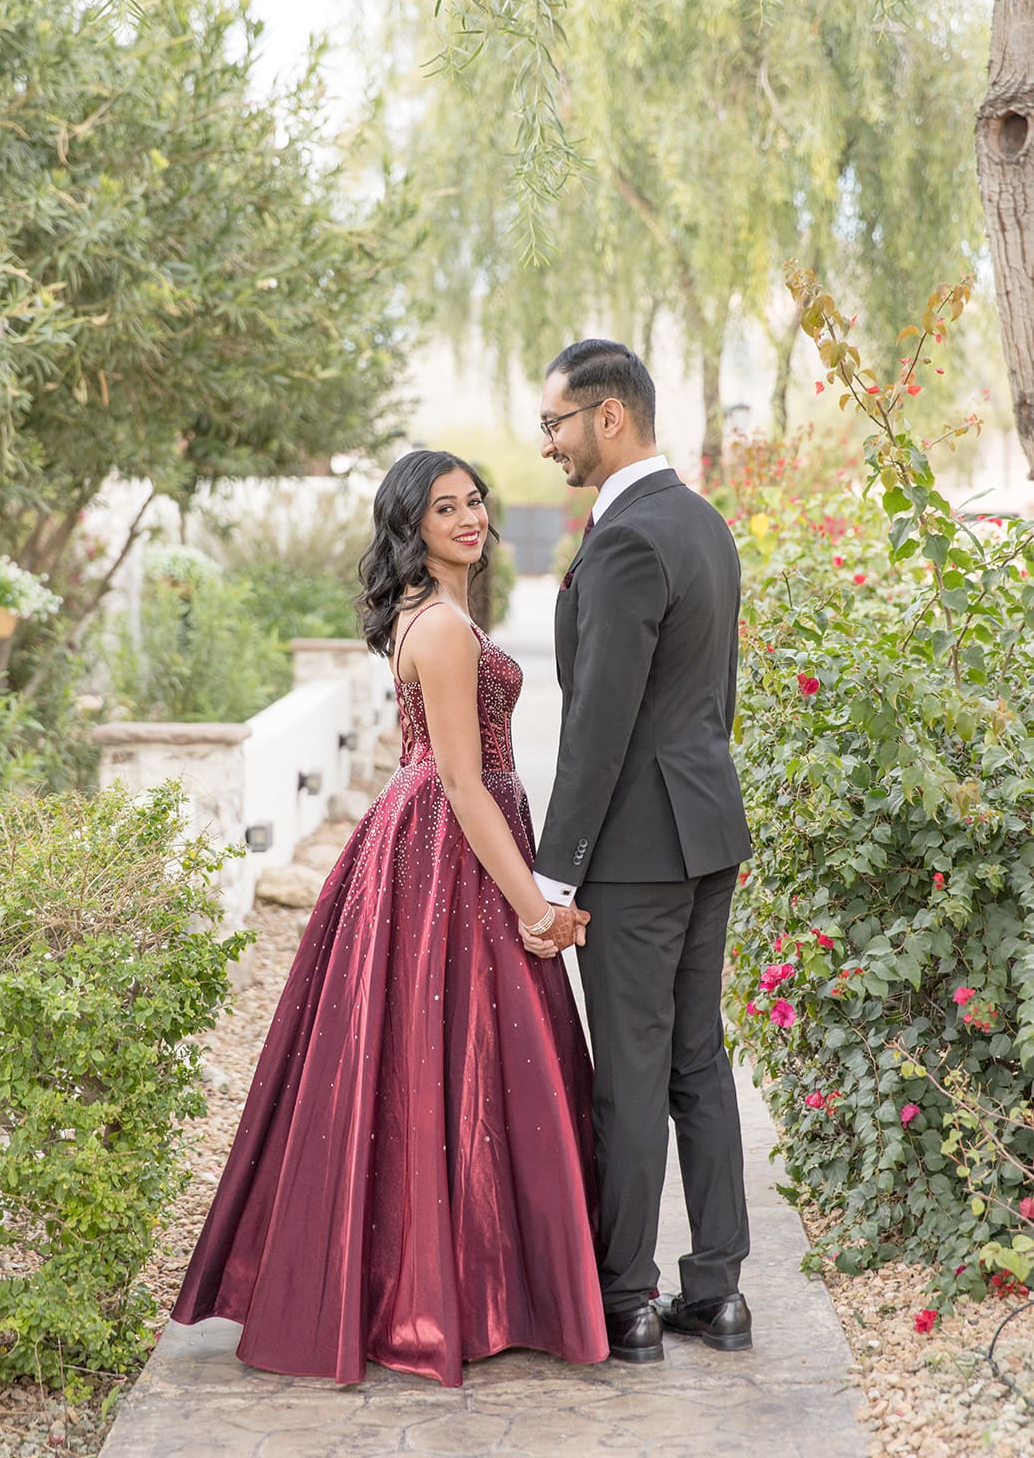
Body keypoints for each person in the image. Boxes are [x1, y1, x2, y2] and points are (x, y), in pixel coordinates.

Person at [171, 449, 608, 1387]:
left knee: (441, 1052)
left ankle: (465, 1282)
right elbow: (459, 781)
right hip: (449, 843)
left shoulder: (436, 612)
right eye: (444, 508)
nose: (469, 517)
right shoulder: (441, 626)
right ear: (410, 527)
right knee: (461, 1051)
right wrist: (535, 907)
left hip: (436, 838)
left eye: (474, 501)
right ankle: (458, 1292)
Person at [522, 340, 753, 1364]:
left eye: (555, 423)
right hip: (705, 833)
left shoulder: (622, 541)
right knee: (695, 1057)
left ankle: (626, 1301)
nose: (548, 444)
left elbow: (598, 726)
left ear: (607, 416)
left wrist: (552, 874)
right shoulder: (703, 523)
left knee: (628, 1072)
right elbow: (713, 702)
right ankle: (719, 1292)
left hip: (633, 853)